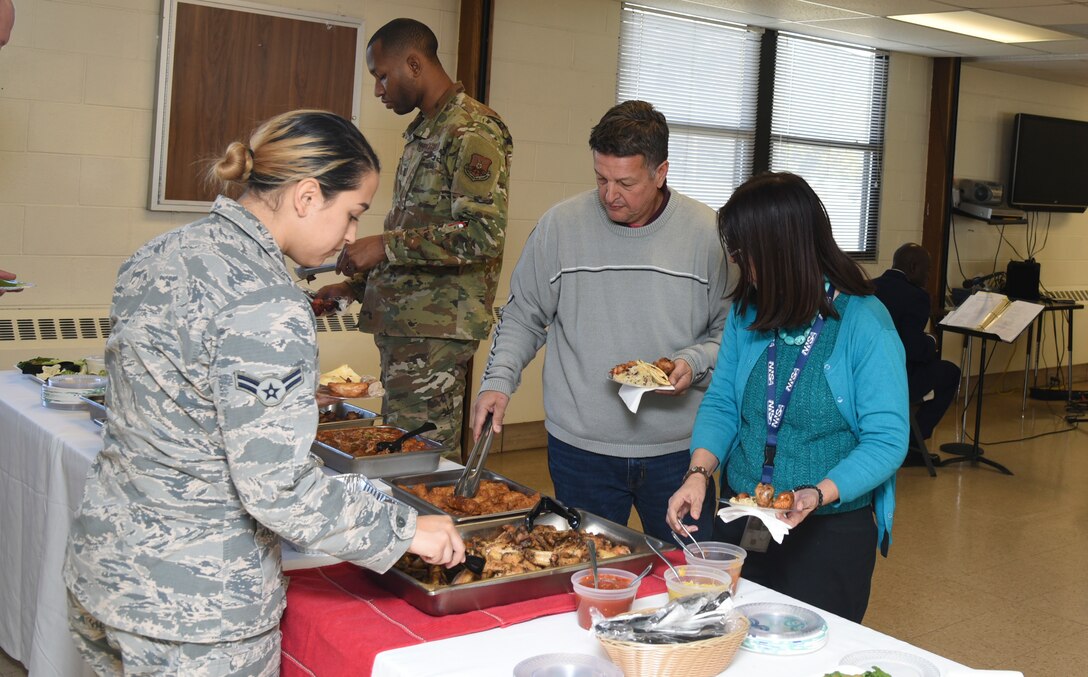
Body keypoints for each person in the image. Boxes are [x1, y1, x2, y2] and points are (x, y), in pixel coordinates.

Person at [63, 110, 464, 676]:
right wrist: (404, 528)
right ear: (306, 196)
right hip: (196, 611)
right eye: (351, 213)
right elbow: (277, 488)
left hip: (104, 572)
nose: (352, 235)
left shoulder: (157, 254)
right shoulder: (268, 302)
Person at [473, 100, 731, 542]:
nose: (610, 194)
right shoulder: (560, 227)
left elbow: (732, 335)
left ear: (661, 172)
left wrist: (694, 360)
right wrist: (498, 380)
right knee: (584, 571)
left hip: (679, 452)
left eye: (626, 182)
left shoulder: (710, 235)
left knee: (691, 576)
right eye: (601, 178)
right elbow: (523, 314)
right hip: (581, 449)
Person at [666, 172, 908, 623]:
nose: (739, 263)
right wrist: (699, 472)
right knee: (730, 637)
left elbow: (887, 439)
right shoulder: (749, 312)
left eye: (745, 253)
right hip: (744, 518)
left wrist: (819, 492)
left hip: (828, 531)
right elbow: (722, 404)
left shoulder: (864, 323)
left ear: (781, 249)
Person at [315, 18, 513, 459]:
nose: (379, 90)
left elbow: (480, 234)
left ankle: (433, 531)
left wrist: (383, 245)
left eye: (382, 76)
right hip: (409, 329)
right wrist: (355, 287)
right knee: (401, 454)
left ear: (414, 63)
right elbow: (421, 231)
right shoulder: (427, 130)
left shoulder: (471, 130)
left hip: (435, 337)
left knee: (422, 460)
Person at [874, 243, 960, 465]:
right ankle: (913, 445)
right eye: (927, 270)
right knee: (950, 372)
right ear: (913, 267)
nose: (929, 276)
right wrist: (931, 340)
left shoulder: (867, 288)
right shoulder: (916, 296)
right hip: (897, 379)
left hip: (863, 375)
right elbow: (913, 349)